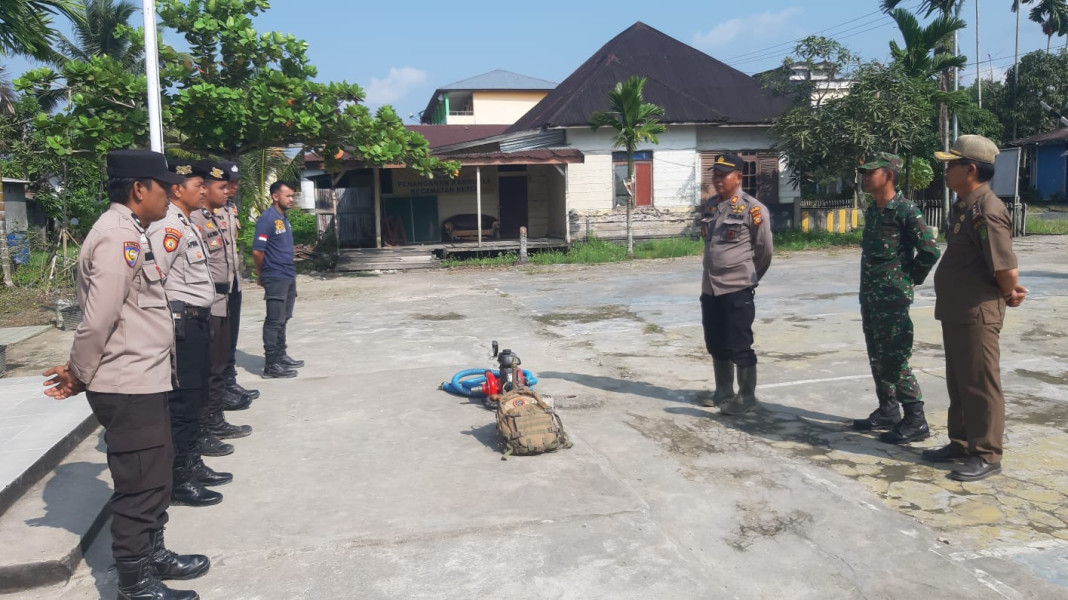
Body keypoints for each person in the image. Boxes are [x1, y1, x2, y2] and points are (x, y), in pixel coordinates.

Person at [42, 149, 208, 600]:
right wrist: (78, 371)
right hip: (128, 383)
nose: (171, 193)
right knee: (140, 484)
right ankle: (134, 583)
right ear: (139, 189)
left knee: (155, 477)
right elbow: (98, 319)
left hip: (144, 379)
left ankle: (153, 553)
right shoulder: (119, 238)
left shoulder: (132, 231)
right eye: (163, 186)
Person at [924, 135, 1028, 482]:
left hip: (977, 313)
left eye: (951, 164)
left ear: (970, 169)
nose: (946, 170)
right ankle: (962, 442)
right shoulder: (964, 205)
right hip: (958, 310)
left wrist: (1010, 292)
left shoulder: (987, 209)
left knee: (981, 384)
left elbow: (1004, 268)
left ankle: (986, 454)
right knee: (959, 381)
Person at [147, 159, 231, 508]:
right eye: (196, 184)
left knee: (194, 399)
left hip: (196, 319)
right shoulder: (166, 226)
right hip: (181, 324)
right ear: (177, 189)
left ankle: (192, 463)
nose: (202, 189)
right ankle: (181, 477)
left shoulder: (185, 222)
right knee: (183, 404)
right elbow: (156, 281)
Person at [851, 153, 941, 445]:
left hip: (893, 298)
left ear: (888, 175)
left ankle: (916, 419)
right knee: (876, 355)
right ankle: (888, 409)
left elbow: (929, 250)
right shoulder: (875, 210)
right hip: (871, 296)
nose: (865, 177)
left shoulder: (906, 210)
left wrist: (909, 278)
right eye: (864, 173)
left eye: (870, 172)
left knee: (895, 358)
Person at [698, 153, 773, 415]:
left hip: (736, 289)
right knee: (716, 341)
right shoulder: (709, 206)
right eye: (715, 174)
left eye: (723, 174)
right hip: (710, 289)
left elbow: (764, 251)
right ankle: (723, 390)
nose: (717, 179)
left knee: (739, 344)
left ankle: (747, 397)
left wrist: (748, 278)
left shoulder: (753, 209)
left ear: (738, 177)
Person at [189, 161, 250, 460]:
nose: (227, 192)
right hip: (208, 303)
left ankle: (215, 419)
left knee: (219, 362)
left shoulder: (224, 213)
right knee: (208, 368)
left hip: (225, 298)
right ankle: (206, 424)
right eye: (221, 187)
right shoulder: (193, 220)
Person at [217, 161, 260, 401]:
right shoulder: (204, 213)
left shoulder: (230, 209)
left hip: (233, 282)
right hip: (215, 289)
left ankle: (229, 380)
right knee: (219, 342)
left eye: (235, 183)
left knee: (231, 337)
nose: (233, 188)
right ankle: (221, 386)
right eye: (227, 184)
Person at [254, 181, 303, 378]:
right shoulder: (267, 218)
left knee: (284, 317)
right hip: (275, 275)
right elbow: (258, 251)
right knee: (274, 320)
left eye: (292, 196)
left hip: (288, 273)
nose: (291, 199)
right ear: (276, 196)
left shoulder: (283, 217)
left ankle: (281, 355)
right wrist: (261, 273)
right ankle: (271, 364)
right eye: (288, 196)